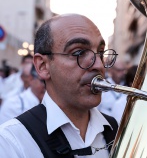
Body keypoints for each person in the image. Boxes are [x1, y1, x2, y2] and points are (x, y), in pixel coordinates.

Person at [0, 14, 119, 158]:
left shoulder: (116, 130)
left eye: (100, 53)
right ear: (43, 66)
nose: (99, 65)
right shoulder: (10, 142)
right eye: (78, 52)